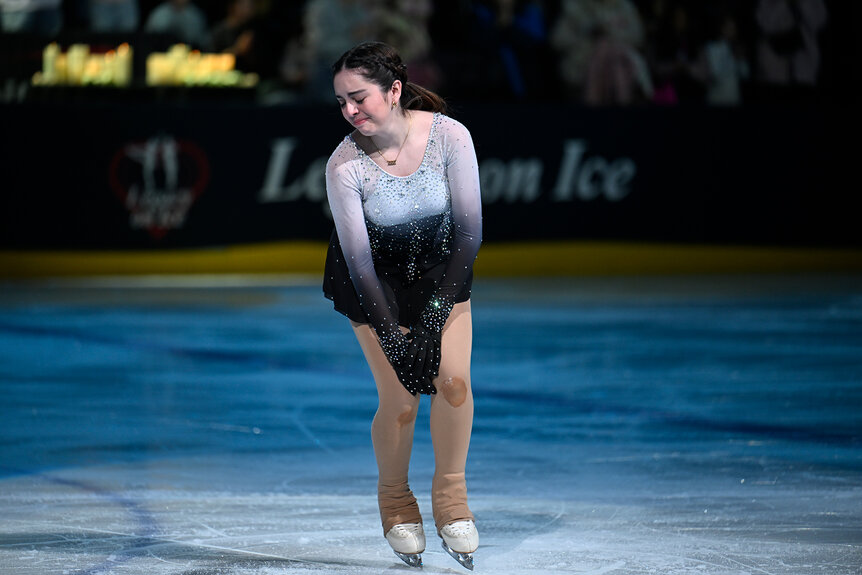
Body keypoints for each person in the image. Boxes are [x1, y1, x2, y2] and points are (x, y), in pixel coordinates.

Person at [322, 41, 482, 569]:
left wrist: (435, 319)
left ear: (393, 90)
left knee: (453, 383)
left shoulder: (449, 136)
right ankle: (394, 500)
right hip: (374, 289)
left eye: (359, 97)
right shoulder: (345, 166)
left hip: (441, 272)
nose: (350, 111)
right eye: (342, 101)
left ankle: (452, 498)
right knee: (402, 401)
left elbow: (468, 235)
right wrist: (395, 338)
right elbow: (361, 267)